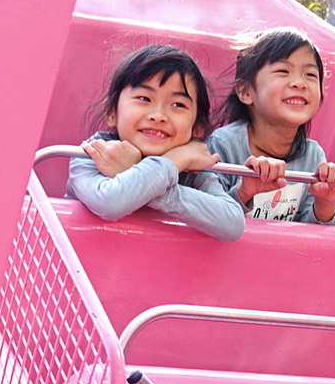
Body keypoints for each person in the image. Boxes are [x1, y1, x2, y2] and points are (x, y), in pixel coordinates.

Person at [66, 45, 244, 242]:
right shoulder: (96, 153)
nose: (159, 116)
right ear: (111, 113)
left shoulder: (192, 171)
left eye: (178, 105)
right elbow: (110, 203)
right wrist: (173, 161)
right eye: (144, 98)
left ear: (197, 127)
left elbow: (232, 224)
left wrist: (157, 187)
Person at [207, 28, 335, 225]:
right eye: (284, 71)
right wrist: (245, 191)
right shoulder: (223, 145)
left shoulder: (313, 156)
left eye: (310, 75)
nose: (300, 83)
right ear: (245, 91)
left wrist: (326, 201)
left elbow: (314, 241)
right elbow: (207, 218)